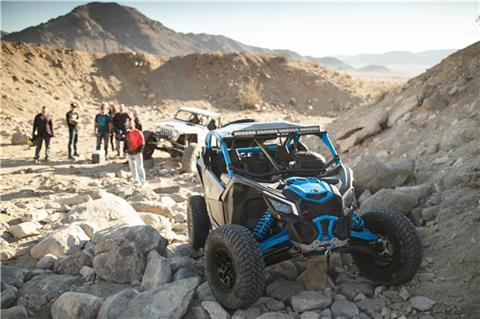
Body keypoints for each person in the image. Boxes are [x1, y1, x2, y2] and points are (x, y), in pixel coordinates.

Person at [125, 119, 146, 185]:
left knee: (140, 167)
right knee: (132, 167)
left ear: (133, 124)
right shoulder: (127, 133)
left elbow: (142, 143)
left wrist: (139, 152)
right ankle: (136, 180)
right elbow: (126, 142)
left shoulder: (138, 132)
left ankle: (143, 182)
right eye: (128, 124)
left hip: (137, 153)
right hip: (129, 152)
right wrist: (125, 150)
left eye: (131, 124)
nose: (129, 125)